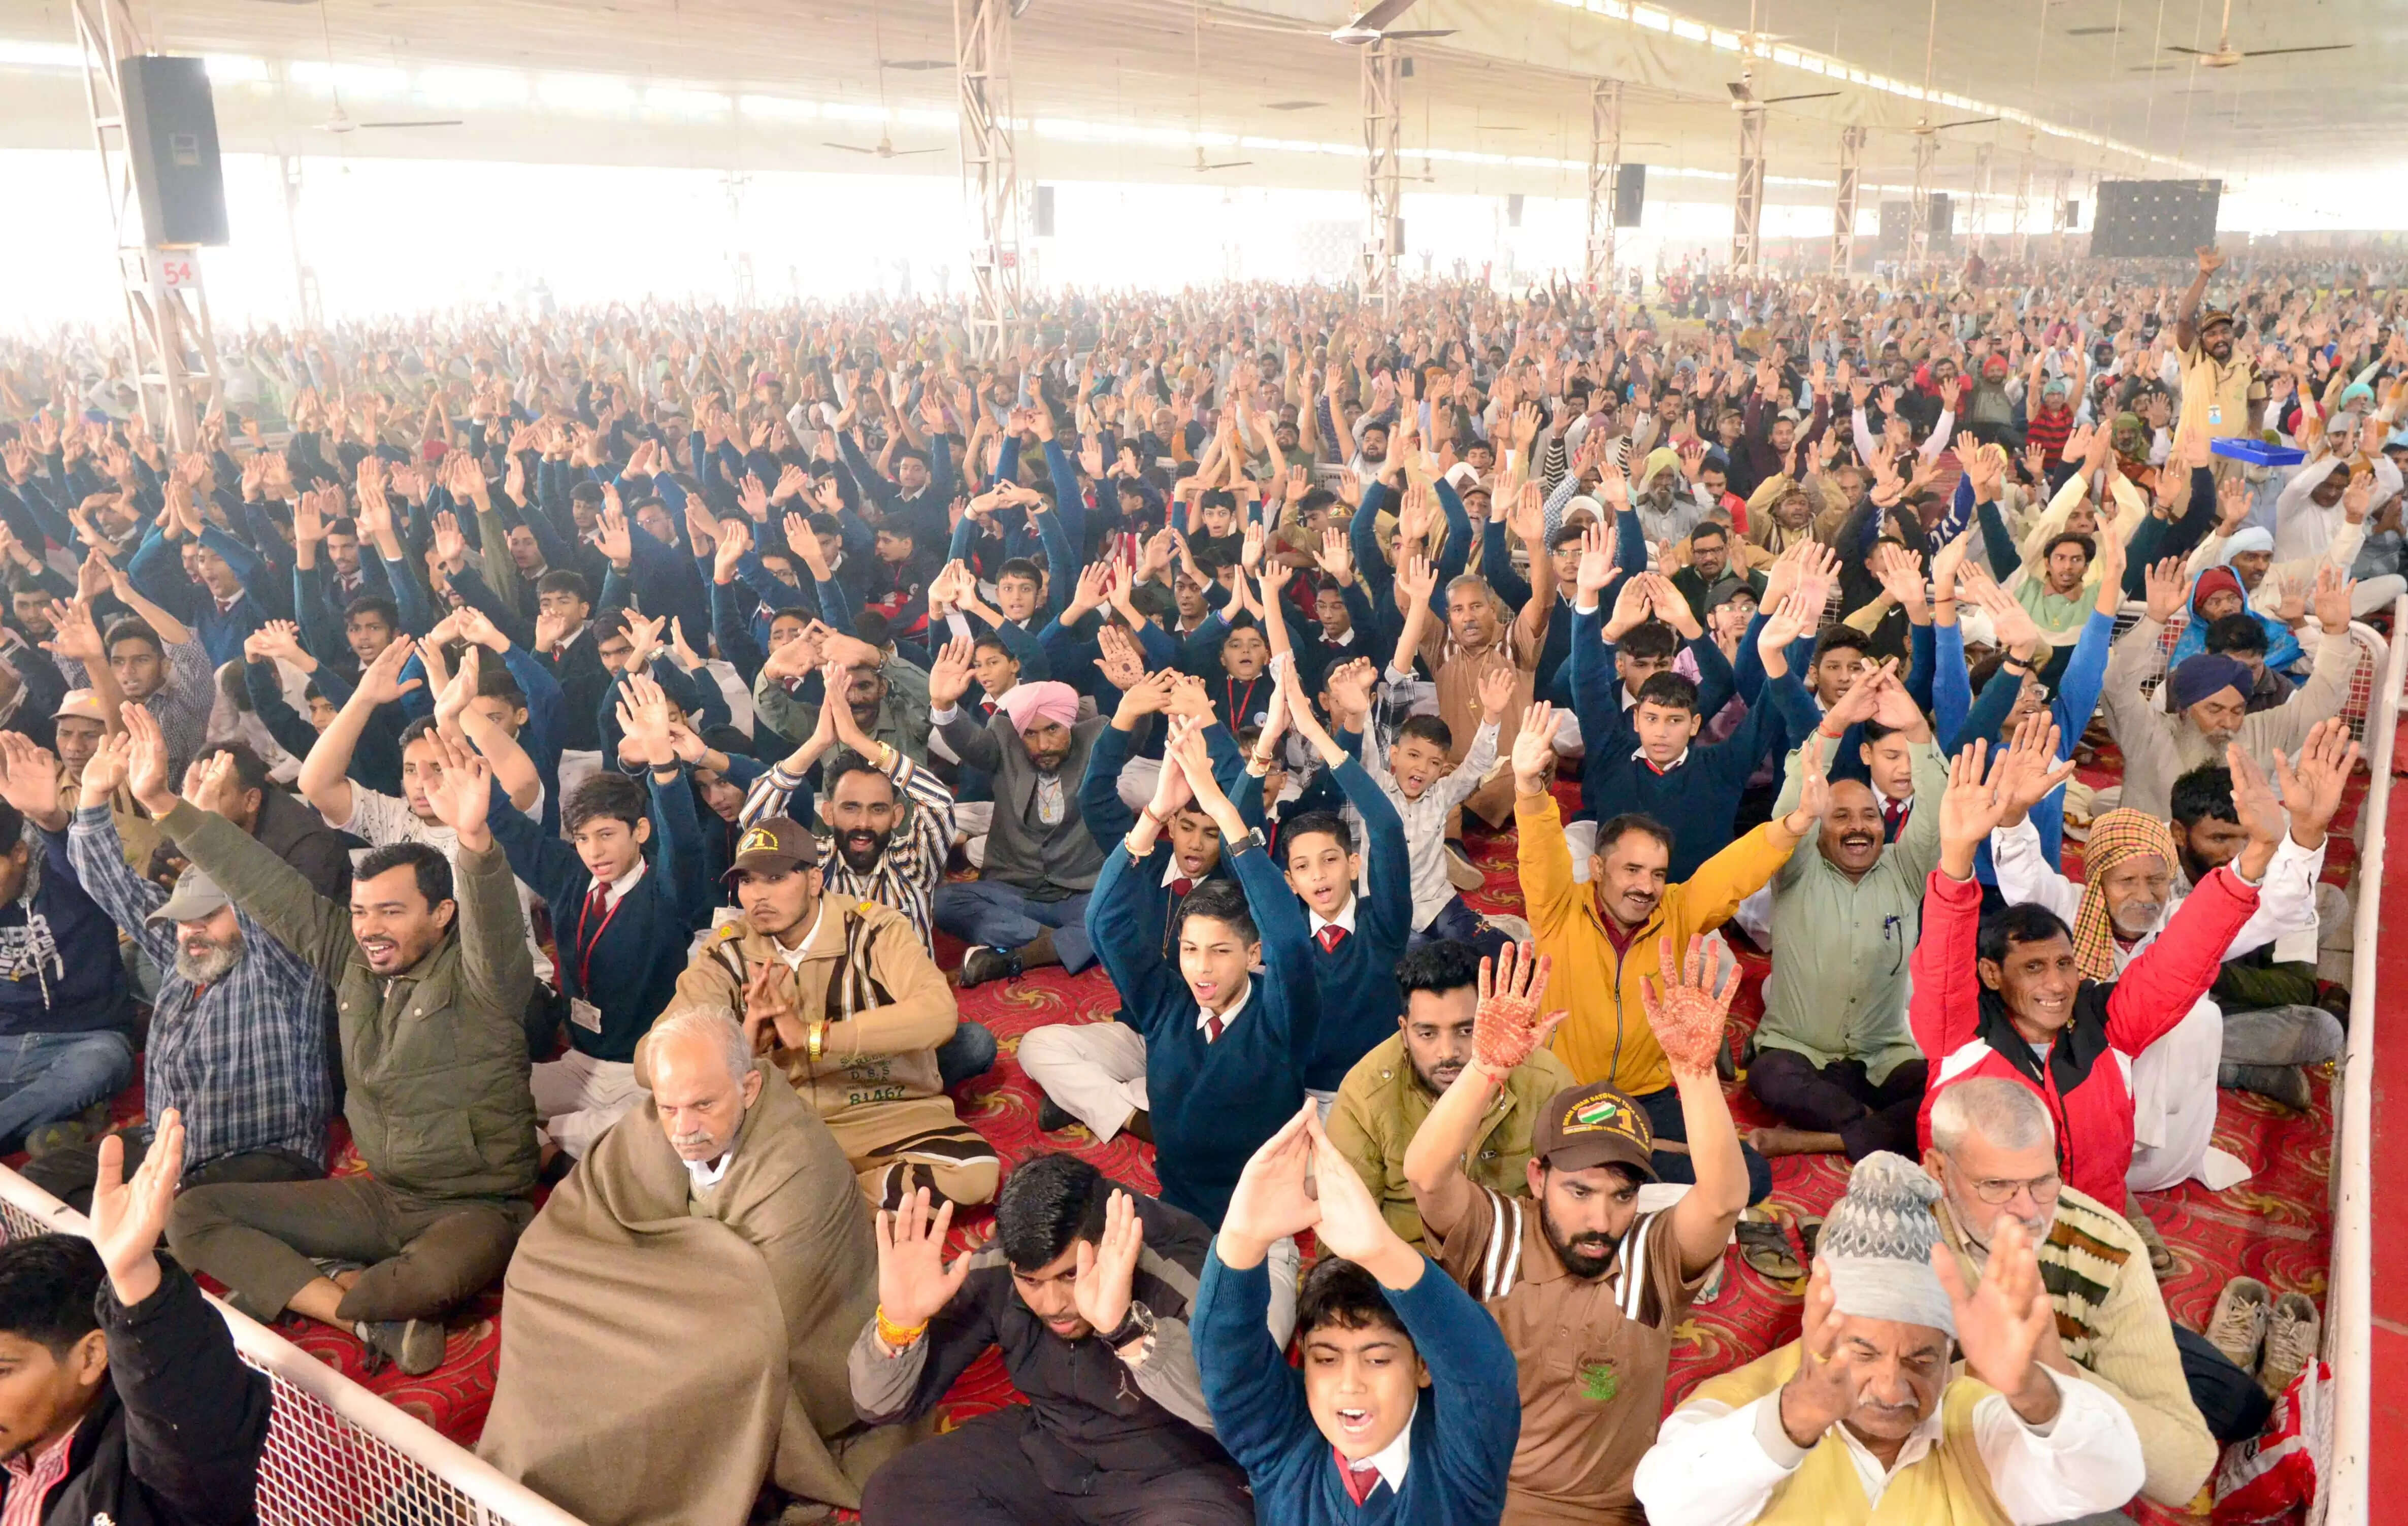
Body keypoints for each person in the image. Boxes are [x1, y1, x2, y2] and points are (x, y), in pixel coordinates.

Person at [143, 711, 539, 1377]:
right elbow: (261, 883)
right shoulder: (349, 955)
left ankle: (309, 1285)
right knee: (193, 1215)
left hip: (476, 1204)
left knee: (425, 1281)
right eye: (359, 911)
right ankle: (350, 1306)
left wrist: (473, 840)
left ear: (442, 914)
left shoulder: (485, 978)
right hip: (378, 1196)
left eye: (391, 911)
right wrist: (162, 803)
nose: (369, 928)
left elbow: (495, 920)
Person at [480, 1011, 906, 1525]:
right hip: (676, 1309)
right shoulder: (661, 1122)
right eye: (669, 1108)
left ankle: (564, 1489)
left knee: (646, 1392)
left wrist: (645, 1308)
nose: (684, 1130)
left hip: (780, 1353)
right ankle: (519, 1474)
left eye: (704, 1105)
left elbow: (770, 1320)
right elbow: (581, 1212)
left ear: (748, 1088)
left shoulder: (796, 1162)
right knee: (536, 1280)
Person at [1402, 939, 1749, 1523]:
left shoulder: (1650, 1255)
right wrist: (1486, 1069)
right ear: (1537, 1179)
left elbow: (1722, 1201)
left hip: (1609, 1513)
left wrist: (1693, 1075)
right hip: (1482, 1502)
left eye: (1622, 1196)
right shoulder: (1497, 1234)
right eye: (1579, 1191)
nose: (1601, 1221)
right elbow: (1426, 1173)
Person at [1631, 1151, 2148, 1525]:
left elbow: (2109, 1477)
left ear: (1950, 1356)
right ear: (1819, 1324)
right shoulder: (1742, 1404)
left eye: (1921, 1360)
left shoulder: (1972, 1418)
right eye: (1865, 1352)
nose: (1890, 1388)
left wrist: (2034, 1392)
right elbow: (1670, 1504)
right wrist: (1794, 1421)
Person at [1910, 735, 2270, 1213]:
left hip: (2089, 1232)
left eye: (2064, 964)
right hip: (1986, 1240)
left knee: (2202, 1014)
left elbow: (2183, 954)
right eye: (2033, 968)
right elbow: (1942, 965)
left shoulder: (2110, 1025)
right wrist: (1956, 857)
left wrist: (2258, 855)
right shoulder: (1960, 1036)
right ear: (1992, 975)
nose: (2056, 984)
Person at [8, 732, 331, 1213]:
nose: (191, 931)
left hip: (264, 1156)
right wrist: (90, 798)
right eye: (182, 919)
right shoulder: (184, 959)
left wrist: (201, 825)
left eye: (208, 916)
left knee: (184, 1207)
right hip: (166, 1147)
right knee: (40, 1181)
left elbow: (261, 895)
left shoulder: (282, 967)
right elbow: (109, 883)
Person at [852, 1156, 1248, 1525]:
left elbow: (1243, 1416)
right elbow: (879, 1406)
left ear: (1105, 1241)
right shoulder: (1000, 1266)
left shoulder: (1183, 1266)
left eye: (1070, 1275)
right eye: (1031, 1282)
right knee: (896, 1493)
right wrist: (899, 1325)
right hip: (1052, 1450)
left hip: (1178, 1474)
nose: (1054, 1304)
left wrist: (1127, 1329)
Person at [1513, 701, 1801, 1198]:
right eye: (1632, 871)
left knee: (1747, 1179)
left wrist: (1793, 826)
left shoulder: (1678, 909)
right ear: (1599, 870)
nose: (1646, 887)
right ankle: (1620, 1172)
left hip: (1647, 1094)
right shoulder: (1559, 908)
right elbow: (1540, 849)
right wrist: (1528, 786)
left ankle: (1617, 1168)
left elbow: (1731, 873)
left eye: (1658, 874)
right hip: (1565, 1091)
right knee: (1527, 1175)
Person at [1082, 723, 1318, 1325]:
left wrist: (1224, 812)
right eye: (1190, 951)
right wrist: (1157, 811)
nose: (1201, 970)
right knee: (1108, 1324)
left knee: (1251, 1359)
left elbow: (1291, 940)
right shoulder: (1167, 1004)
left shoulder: (1279, 1014)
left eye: (1219, 952)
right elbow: (1104, 922)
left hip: (1262, 1225)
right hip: (1176, 1216)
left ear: (1252, 954)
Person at [1193, 1101, 1521, 1524]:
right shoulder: (1282, 1444)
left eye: (1378, 1359)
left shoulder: (1460, 1466)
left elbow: (1480, 1369)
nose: (1350, 1385)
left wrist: (1381, 1252)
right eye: (1326, 1359)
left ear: (1423, 1367)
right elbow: (1227, 1362)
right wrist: (1241, 1239)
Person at [650, 814, 997, 1208]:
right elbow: (653, 1060)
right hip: (779, 1121)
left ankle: (810, 1207)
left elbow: (938, 1013)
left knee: (975, 1173)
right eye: (747, 881)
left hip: (882, 1109)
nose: (758, 896)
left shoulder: (873, 929)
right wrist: (742, 1043)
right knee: (652, 1152)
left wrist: (813, 1037)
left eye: (776, 878)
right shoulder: (727, 950)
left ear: (814, 881)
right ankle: (827, 1202)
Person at [1924, 1079, 2228, 1509]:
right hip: (1968, 1459)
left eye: (2043, 1182)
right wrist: (1989, 1372)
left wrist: (2055, 1368)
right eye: (1996, 1186)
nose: (2028, 1212)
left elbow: (2183, 1473)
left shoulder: (2109, 1246)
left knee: (2240, 1404)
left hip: (2070, 1388)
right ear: (1938, 1171)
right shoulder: (1887, 1235)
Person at [0, 1109, 274, 1525]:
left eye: (2, 1371)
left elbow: (188, 1419)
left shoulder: (163, 1474)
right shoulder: (19, 1442)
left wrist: (134, 1277)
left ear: (91, 1357)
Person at [486, 672, 710, 1161]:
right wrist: (463, 750)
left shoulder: (666, 890)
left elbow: (687, 845)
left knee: (663, 1132)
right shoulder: (571, 876)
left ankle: (554, 1142)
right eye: (584, 838)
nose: (594, 852)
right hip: (579, 1061)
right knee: (486, 1100)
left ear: (641, 831)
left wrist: (664, 767)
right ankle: (564, 1142)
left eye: (607, 835)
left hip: (642, 1075)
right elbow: (512, 831)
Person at [1743, 663, 1947, 1163]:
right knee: (1770, 1078)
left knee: (1947, 1092)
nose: (1859, 828)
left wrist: (1919, 731)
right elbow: (1796, 790)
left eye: (1869, 817)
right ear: (1819, 826)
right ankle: (1880, 1130)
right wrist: (1834, 723)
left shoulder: (1906, 867)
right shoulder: (1798, 865)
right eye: (1840, 816)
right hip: (1800, 1052)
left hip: (1885, 1056)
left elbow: (1938, 804)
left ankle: (1826, 1138)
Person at [1327, 939, 1575, 1254]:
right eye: (1427, 1034)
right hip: (1412, 1267)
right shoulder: (1365, 1094)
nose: (1448, 1053)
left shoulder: (1544, 1080)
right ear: (1404, 1032)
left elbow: (1579, 1201)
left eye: (1466, 1031)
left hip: (1518, 1261)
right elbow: (1345, 1232)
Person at [2103, 558, 2355, 820]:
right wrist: (2154, 620)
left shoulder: (2260, 731)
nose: (2228, 722)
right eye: (2214, 709)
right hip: (2154, 853)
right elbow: (2117, 686)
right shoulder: (2148, 733)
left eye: (2237, 710)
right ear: (2184, 709)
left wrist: (2336, 632)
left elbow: (2325, 696)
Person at [929, 654, 1111, 986]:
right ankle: (1055, 944)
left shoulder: (1094, 740)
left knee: (1121, 911)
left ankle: (1018, 955)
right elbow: (968, 741)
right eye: (1030, 734)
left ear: (1068, 724)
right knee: (944, 903)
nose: (1042, 745)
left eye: (1053, 730)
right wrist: (943, 705)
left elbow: (1131, 737)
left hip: (1080, 891)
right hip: (1016, 891)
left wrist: (1132, 695)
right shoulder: (1003, 739)